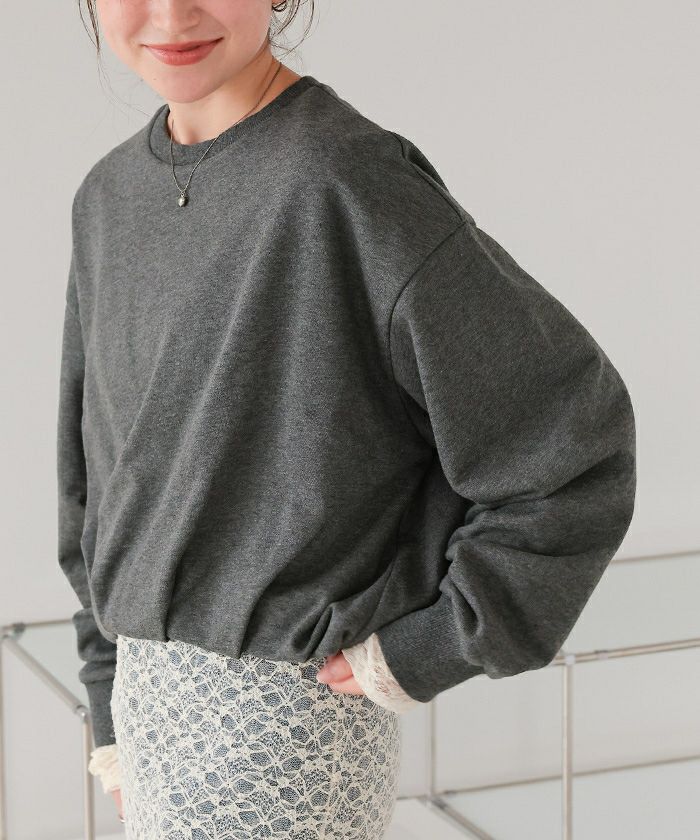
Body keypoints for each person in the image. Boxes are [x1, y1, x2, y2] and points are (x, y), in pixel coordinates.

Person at [57, 0, 636, 836]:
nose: (172, 13)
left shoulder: (344, 179)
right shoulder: (109, 196)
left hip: (282, 734)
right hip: (149, 717)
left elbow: (570, 444)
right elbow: (96, 480)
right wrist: (111, 704)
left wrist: (431, 646)